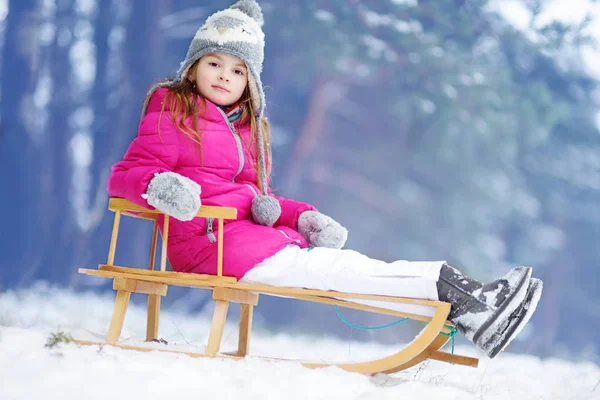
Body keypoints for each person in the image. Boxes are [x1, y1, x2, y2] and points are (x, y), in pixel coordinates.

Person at [107, 0, 542, 359]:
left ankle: (473, 305)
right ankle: (469, 302)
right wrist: (162, 188)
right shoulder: (173, 113)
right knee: (342, 270)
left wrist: (300, 217)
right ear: (193, 66)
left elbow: (258, 196)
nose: (225, 75)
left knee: (348, 268)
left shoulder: (245, 127)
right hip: (213, 247)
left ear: (250, 82)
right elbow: (126, 176)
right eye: (215, 62)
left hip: (246, 240)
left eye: (238, 70)